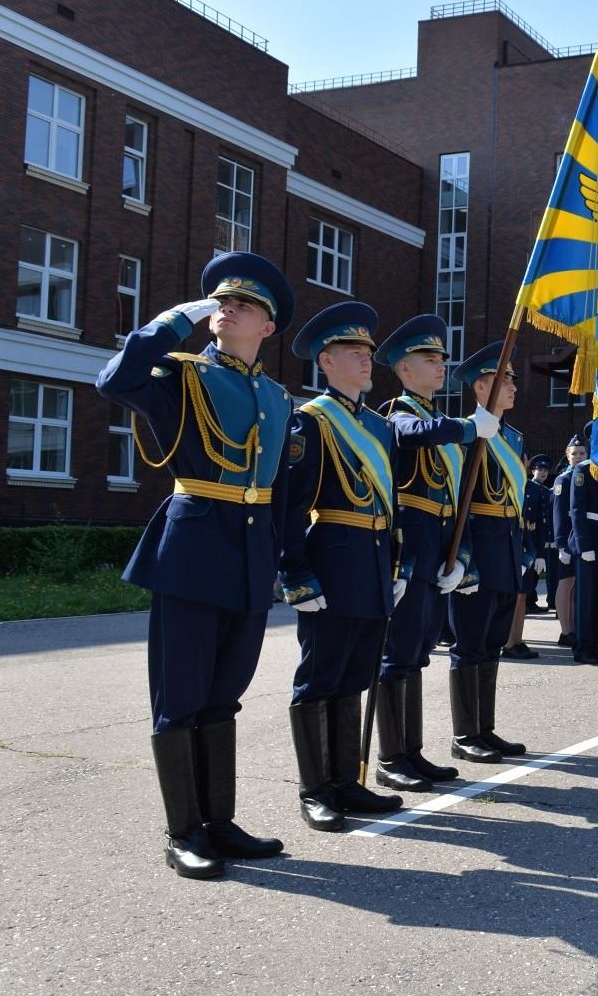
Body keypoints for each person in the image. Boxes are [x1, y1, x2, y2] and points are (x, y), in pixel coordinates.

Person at [97, 252, 294, 878]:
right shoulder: (179, 373)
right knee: (179, 695)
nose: (227, 307)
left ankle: (220, 822)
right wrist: (168, 323)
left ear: (267, 327)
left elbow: (280, 491)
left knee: (223, 695)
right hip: (193, 550)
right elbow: (114, 381)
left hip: (250, 553)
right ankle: (183, 831)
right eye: (221, 301)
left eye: (246, 304)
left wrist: (288, 563)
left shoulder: (275, 394)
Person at [279, 301, 404, 833]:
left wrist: (397, 565)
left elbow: (390, 502)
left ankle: (347, 780)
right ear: (325, 362)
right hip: (331, 561)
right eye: (353, 353)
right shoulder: (310, 422)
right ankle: (316, 790)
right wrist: (296, 574)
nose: (365, 362)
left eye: (367, 354)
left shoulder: (378, 428)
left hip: (373, 565)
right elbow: (288, 505)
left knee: (354, 676)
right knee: (320, 676)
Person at [371, 315, 491, 794]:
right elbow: (414, 434)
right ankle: (389, 758)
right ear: (403, 369)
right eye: (429, 359)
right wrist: (468, 426)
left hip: (438, 547)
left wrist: (458, 555)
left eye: (442, 358)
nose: (440, 365)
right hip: (410, 546)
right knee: (396, 654)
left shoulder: (438, 423)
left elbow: (457, 500)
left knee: (418, 653)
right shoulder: (398, 414)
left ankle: (411, 752)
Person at [447, 342, 529, 763]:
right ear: (482, 387)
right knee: (470, 642)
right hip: (478, 544)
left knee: (494, 642)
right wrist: (462, 559)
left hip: (506, 545)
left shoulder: (513, 437)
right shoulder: (466, 433)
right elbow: (458, 500)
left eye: (513, 379)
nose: (513, 386)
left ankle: (484, 728)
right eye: (505, 380)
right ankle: (464, 735)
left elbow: (515, 502)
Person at [567, 422, 598, 665]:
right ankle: (582, 646)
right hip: (588, 538)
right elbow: (576, 510)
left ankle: (595, 642)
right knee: (585, 597)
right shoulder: (583, 471)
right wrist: (583, 544)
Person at [551, 435, 587, 648]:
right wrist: (561, 544)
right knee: (565, 584)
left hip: (579, 540)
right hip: (567, 541)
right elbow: (558, 514)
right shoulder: (563, 480)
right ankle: (566, 631)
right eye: (575, 454)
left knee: (574, 586)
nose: (579, 457)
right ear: (567, 456)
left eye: (582, 453)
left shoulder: (583, 477)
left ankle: (573, 627)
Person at [522, 455, 554, 613]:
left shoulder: (546, 491)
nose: (543, 472)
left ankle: (530, 600)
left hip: (540, 534)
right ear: (532, 470)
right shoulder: (528, 487)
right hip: (529, 533)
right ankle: (526, 601)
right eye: (539, 469)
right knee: (528, 569)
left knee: (536, 572)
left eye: (545, 470)